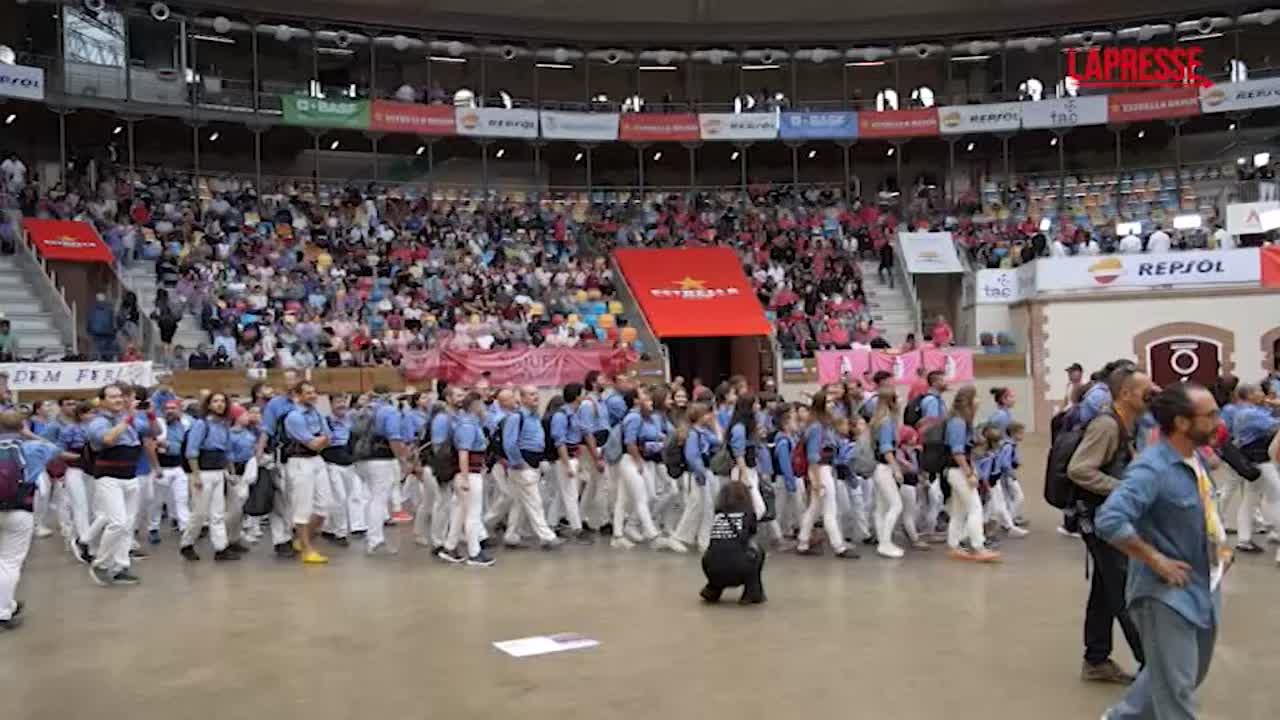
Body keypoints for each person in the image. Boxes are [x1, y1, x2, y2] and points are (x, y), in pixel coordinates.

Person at [1095, 383, 1230, 720]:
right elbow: (1110, 519)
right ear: (1183, 423)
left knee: (1179, 676)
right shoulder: (1151, 469)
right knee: (1177, 693)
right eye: (1210, 415)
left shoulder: (1194, 458)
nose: (1219, 420)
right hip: (1165, 597)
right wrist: (1156, 559)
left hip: (1203, 586)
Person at [1067, 365, 1152, 684]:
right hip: (1103, 520)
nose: (1152, 393)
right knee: (1127, 590)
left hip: (1109, 516)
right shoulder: (1106, 425)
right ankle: (1153, 666)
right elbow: (1080, 469)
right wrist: (1124, 489)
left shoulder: (1128, 423)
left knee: (1105, 590)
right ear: (1126, 394)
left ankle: (1096, 658)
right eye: (1146, 389)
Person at [85, 383, 157, 586]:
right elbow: (107, 439)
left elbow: (154, 432)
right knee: (116, 522)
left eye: (120, 396)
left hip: (130, 476)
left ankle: (120, 567)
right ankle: (101, 563)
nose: (118, 400)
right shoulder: (98, 422)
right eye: (112, 397)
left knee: (127, 525)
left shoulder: (129, 419)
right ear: (102, 401)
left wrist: (150, 415)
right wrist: (128, 418)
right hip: (109, 477)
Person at [0, 410, 63, 631]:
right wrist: (30, 434)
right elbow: (57, 450)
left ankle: (7, 603)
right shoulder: (33, 448)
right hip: (20, 510)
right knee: (9, 562)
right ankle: (3, 612)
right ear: (22, 426)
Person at [942, 386, 999, 563]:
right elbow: (958, 452)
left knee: (959, 510)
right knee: (975, 508)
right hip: (958, 471)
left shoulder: (959, 421)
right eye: (976, 397)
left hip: (956, 470)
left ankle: (954, 545)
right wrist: (969, 474)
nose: (978, 401)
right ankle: (978, 547)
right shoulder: (958, 423)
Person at [500, 385, 561, 550]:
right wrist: (518, 461)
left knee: (519, 503)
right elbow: (510, 442)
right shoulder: (516, 417)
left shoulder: (534, 417)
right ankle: (547, 536)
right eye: (531, 394)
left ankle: (511, 535)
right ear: (523, 397)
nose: (536, 397)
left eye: (536, 394)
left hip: (533, 464)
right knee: (535, 502)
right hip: (523, 466)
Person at [438, 392, 494, 567]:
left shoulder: (468, 423)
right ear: (475, 405)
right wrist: (464, 478)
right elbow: (464, 452)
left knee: (460, 511)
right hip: (469, 473)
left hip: (469, 472)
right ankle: (474, 552)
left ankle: (450, 547)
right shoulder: (468, 425)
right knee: (473, 514)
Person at [181, 392, 238, 562]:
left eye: (222, 401)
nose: (219, 404)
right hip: (203, 472)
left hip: (218, 471)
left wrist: (231, 471)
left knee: (217, 512)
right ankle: (187, 543)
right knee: (199, 512)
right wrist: (196, 475)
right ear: (209, 404)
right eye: (215, 401)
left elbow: (228, 451)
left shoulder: (224, 425)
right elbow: (191, 451)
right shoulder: (201, 424)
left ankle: (221, 547)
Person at [282, 382, 334, 564]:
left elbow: (329, 438)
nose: (313, 396)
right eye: (308, 393)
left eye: (314, 392)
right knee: (303, 507)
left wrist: (321, 439)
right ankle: (307, 549)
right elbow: (312, 443)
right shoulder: (294, 417)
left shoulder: (317, 413)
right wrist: (321, 439)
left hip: (317, 460)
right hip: (300, 462)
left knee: (324, 505)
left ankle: (302, 540)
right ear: (298, 395)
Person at [356, 388, 408, 556]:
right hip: (381, 459)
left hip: (361, 458)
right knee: (378, 499)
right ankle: (375, 540)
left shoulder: (363, 411)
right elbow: (393, 438)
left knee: (371, 497)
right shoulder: (389, 411)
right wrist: (402, 460)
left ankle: (372, 536)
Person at [699, 481, 766, 605]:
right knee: (758, 551)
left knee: (720, 550)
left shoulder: (718, 514)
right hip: (738, 568)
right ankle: (752, 592)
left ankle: (713, 588)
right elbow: (750, 536)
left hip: (710, 567)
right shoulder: (748, 513)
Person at [671, 403, 720, 553]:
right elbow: (692, 456)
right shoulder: (692, 434)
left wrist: (714, 425)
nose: (709, 417)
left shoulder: (704, 432)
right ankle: (680, 536)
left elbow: (718, 441)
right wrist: (700, 473)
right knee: (695, 505)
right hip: (696, 474)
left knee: (708, 507)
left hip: (706, 470)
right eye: (706, 414)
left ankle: (704, 539)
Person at [869, 387, 905, 558]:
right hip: (884, 467)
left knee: (881, 507)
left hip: (877, 467)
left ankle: (884, 541)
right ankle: (885, 543)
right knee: (896, 505)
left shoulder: (878, 420)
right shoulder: (886, 421)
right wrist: (896, 468)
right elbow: (886, 448)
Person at [150, 400, 191, 546]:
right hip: (162, 467)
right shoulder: (159, 424)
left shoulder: (185, 424)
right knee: (157, 501)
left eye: (173, 408)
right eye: (167, 408)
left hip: (178, 466)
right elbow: (153, 444)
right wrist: (156, 467)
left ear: (179, 409)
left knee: (181, 499)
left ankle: (185, 528)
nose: (170, 411)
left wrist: (170, 446)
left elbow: (181, 446)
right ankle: (153, 528)